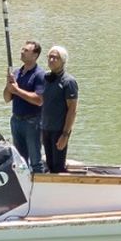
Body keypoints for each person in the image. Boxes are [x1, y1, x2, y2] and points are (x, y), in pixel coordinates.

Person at [4, 41, 46, 173]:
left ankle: (39, 187)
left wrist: (17, 90)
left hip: (32, 122)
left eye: (26, 50)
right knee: (20, 161)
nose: (22, 52)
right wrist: (8, 85)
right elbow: (6, 98)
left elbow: (39, 100)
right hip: (16, 120)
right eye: (22, 49)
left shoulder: (39, 74)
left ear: (35, 55)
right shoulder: (17, 73)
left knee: (35, 160)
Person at [40, 46, 78, 174]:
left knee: (58, 166)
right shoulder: (46, 78)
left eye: (55, 57)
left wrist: (65, 135)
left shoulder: (68, 82)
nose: (51, 60)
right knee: (49, 165)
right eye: (49, 57)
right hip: (45, 128)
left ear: (63, 60)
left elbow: (72, 110)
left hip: (59, 130)